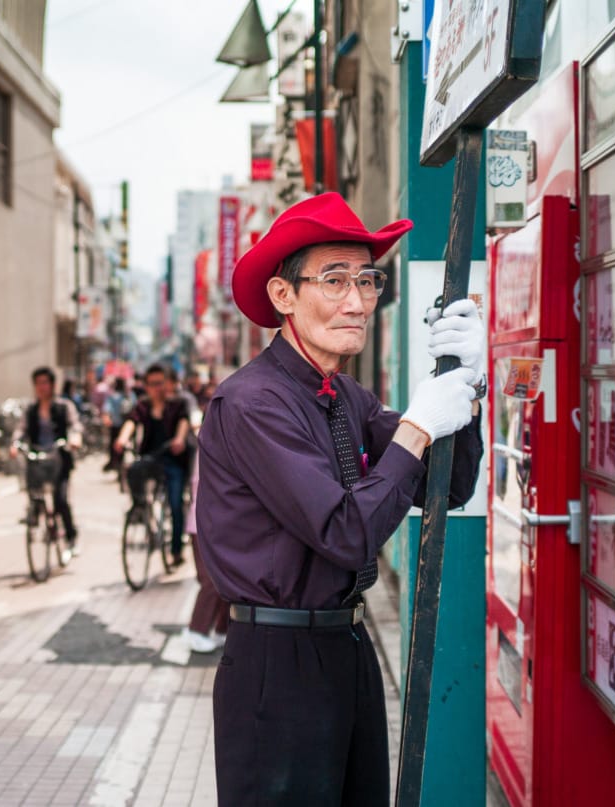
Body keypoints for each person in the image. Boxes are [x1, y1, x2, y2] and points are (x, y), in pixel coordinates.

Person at [196, 192, 486, 805]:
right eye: (333, 280)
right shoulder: (252, 403)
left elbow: (449, 486)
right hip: (276, 664)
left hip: (346, 650)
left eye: (366, 279)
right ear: (283, 296)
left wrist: (464, 380)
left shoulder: (345, 395)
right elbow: (347, 532)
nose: (356, 302)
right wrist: (417, 425)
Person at [114, 363, 192, 566]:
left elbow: (184, 422)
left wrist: (179, 439)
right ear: (146, 386)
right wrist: (122, 439)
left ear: (167, 384)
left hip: (172, 459)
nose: (157, 388)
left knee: (175, 503)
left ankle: (176, 550)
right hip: (150, 458)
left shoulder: (178, 404)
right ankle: (140, 507)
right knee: (133, 470)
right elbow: (132, 421)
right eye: (152, 384)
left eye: (160, 383)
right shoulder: (143, 406)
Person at [11, 367, 83, 553]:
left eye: (45, 383)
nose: (41, 387)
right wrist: (15, 443)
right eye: (38, 383)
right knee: (33, 493)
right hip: (37, 458)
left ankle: (70, 536)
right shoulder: (31, 410)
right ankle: (35, 515)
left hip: (60, 459)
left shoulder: (64, 406)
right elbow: (21, 429)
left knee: (60, 500)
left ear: (52, 385)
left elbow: (75, 425)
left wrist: (75, 439)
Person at [182, 401, 227, 654]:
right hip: (205, 526)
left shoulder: (220, 441)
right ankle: (196, 630)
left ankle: (222, 629)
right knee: (211, 581)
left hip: (217, 525)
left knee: (225, 581)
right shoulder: (210, 444)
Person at [100, 377, 129, 473]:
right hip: (127, 425)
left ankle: (115, 463)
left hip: (115, 425)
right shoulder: (128, 395)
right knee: (123, 446)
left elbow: (107, 409)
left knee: (114, 445)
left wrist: (107, 418)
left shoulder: (112, 396)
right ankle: (121, 464)